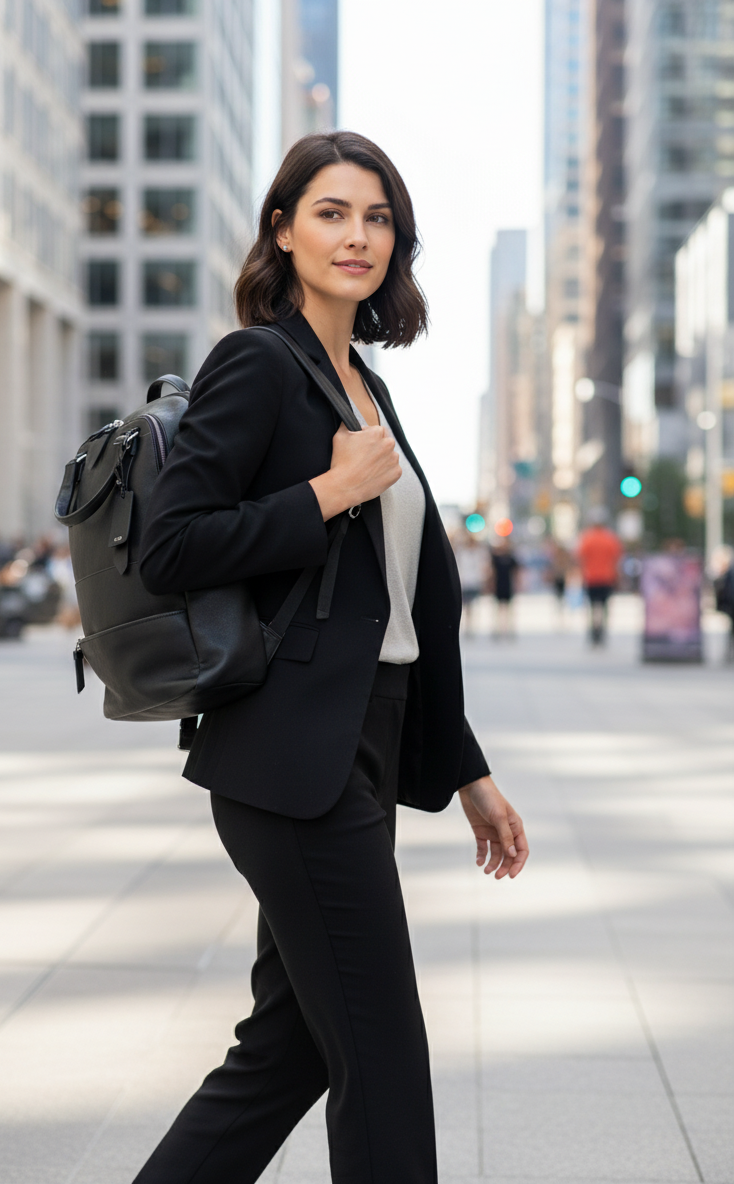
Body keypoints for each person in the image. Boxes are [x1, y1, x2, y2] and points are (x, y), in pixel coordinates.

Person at [132, 132, 529, 1184]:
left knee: (289, 1049)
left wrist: (469, 769)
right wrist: (325, 492)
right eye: (332, 212)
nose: (358, 235)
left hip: (362, 743)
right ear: (283, 228)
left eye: (379, 217)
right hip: (289, 761)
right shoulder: (258, 361)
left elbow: (389, 609)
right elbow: (172, 541)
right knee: (385, 1055)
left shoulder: (364, 384)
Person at [576, 509, 623, 646]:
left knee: (592, 606)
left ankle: (593, 631)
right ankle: (602, 630)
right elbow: (617, 559)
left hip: (590, 577)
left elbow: (580, 558)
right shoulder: (610, 539)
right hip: (607, 577)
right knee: (604, 606)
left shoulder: (587, 538)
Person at [455, 531, 490, 637]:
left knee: (474, 606)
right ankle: (466, 626)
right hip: (465, 582)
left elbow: (484, 566)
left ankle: (472, 627)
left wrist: (484, 579)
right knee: (465, 606)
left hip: (475, 582)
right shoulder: (461, 552)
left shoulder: (479, 552)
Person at [490, 539, 520, 639]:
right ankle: (497, 630)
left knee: (509, 610)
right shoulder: (496, 559)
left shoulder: (511, 559)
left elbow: (516, 572)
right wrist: (491, 584)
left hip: (508, 586)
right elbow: (492, 573)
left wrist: (517, 584)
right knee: (498, 609)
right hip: (499, 585)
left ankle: (510, 630)